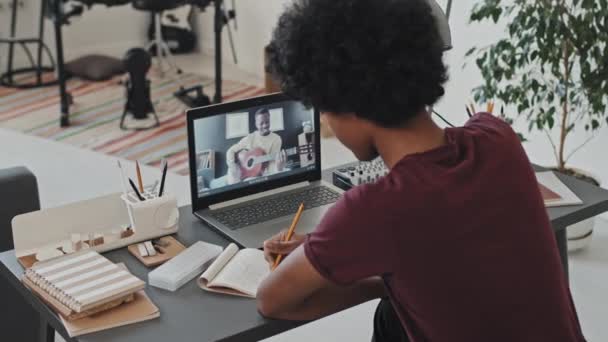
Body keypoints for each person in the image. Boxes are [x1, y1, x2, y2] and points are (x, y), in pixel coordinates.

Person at [256, 1, 586, 341]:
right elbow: (446, 240)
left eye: (324, 109)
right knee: (392, 318)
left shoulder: (373, 209)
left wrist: (379, 283)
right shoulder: (498, 138)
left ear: (348, 106)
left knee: (391, 314)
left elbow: (272, 299)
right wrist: (326, 248)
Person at [225, 108, 286, 184]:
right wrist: (233, 166)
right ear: (256, 124)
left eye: (267, 122)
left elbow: (272, 167)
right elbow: (230, 151)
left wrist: (279, 168)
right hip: (244, 172)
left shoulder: (276, 139)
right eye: (261, 123)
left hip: (260, 175)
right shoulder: (250, 137)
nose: (265, 125)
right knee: (231, 172)